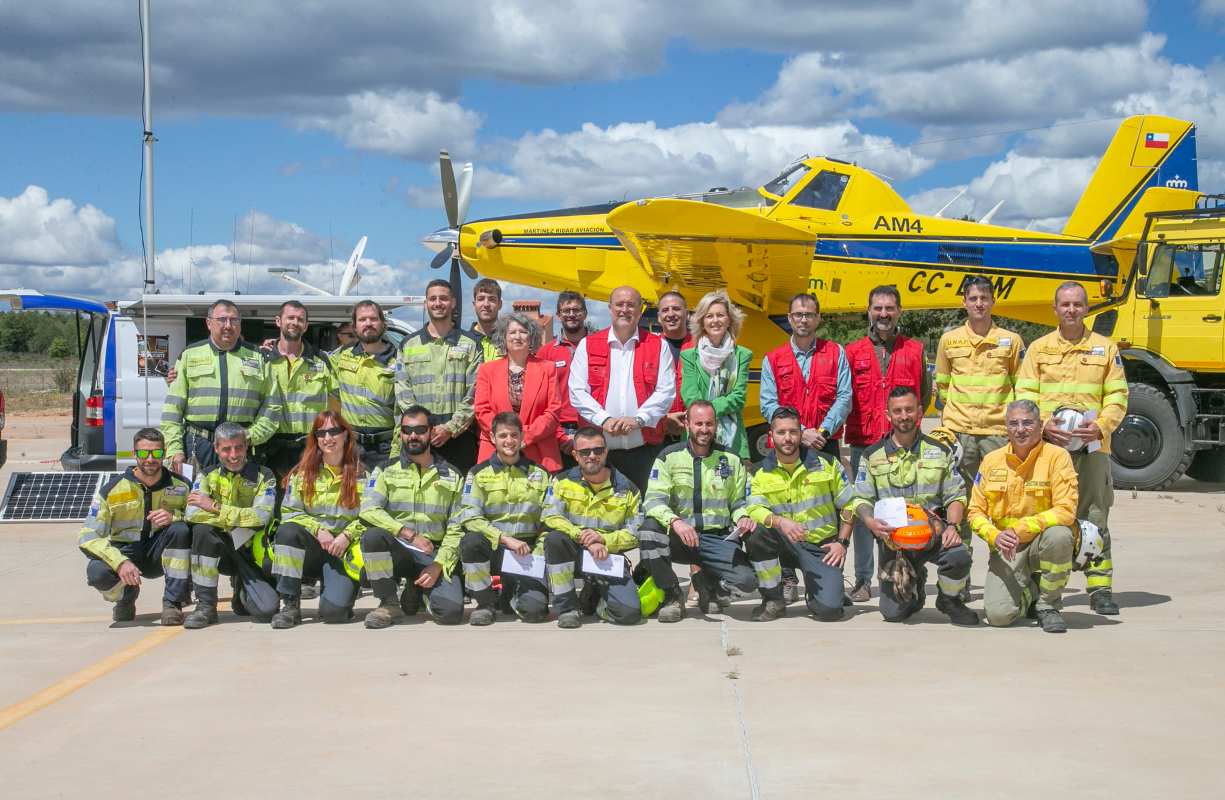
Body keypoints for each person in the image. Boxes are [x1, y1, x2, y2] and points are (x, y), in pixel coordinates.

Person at [1016, 280, 1128, 616]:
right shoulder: (1038, 349)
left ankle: (1100, 588)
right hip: (1050, 450)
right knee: (1045, 519)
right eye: (1064, 304)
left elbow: (1119, 395)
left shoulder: (1105, 349)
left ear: (1086, 307)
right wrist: (1044, 422)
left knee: (1095, 517)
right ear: (1055, 309)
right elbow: (1024, 394)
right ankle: (1044, 592)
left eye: (1077, 304)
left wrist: (1101, 425)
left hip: (1093, 451)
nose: (1071, 310)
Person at [849, 387, 978, 625]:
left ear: (919, 412)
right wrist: (869, 521)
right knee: (893, 614)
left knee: (959, 557)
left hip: (933, 535)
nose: (904, 415)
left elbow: (956, 495)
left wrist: (952, 526)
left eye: (909, 409)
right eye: (897, 411)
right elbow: (861, 499)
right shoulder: (872, 455)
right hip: (895, 541)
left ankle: (949, 599)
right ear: (888, 415)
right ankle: (915, 585)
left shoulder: (939, 451)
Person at [934, 275, 1022, 594]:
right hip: (960, 434)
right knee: (961, 505)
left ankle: (1001, 572)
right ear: (964, 302)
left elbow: (1019, 386)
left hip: (998, 435)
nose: (979, 304)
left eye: (985, 297)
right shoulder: (950, 341)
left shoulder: (1011, 341)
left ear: (993, 301)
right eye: (973, 298)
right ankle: (963, 573)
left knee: (999, 505)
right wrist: (951, 425)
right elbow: (942, 387)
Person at [842, 285, 930, 603]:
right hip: (865, 443)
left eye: (890, 308)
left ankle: (909, 572)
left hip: (903, 443)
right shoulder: (851, 353)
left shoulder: (915, 350)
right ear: (868, 310)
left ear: (899, 312)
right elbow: (845, 396)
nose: (883, 314)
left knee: (907, 510)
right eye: (877, 308)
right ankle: (864, 579)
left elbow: (924, 395)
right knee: (865, 512)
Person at [639, 400, 757, 622]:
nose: (704, 429)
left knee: (747, 581)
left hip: (717, 539)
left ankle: (707, 584)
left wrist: (743, 517)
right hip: (680, 538)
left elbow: (740, 501)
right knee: (648, 530)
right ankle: (672, 596)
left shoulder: (731, 459)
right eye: (699, 423)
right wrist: (675, 521)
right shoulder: (668, 457)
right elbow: (653, 501)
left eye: (709, 424)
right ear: (687, 424)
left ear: (716, 425)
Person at [969, 399, 1078, 633]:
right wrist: (994, 536)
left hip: (1041, 542)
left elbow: (1066, 509)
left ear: (1040, 425)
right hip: (1007, 548)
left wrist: (1021, 529)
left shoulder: (1057, 457)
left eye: (1027, 423)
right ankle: (1031, 593)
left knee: (1060, 536)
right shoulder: (991, 461)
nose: (1020, 429)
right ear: (1006, 428)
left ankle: (1049, 606)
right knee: (999, 616)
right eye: (1014, 423)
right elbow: (975, 512)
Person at [358, 406, 466, 628]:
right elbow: (368, 510)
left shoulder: (453, 475)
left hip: (433, 553)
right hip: (399, 549)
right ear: (400, 434)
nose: (413, 435)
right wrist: (406, 533)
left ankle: (417, 588)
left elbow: (457, 527)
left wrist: (438, 565)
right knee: (373, 536)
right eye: (407, 430)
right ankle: (388, 603)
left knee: (450, 613)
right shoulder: (385, 470)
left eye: (420, 430)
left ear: (431, 431)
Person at [744, 407, 854, 622]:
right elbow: (753, 508)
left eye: (793, 432)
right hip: (783, 544)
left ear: (801, 434)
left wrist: (842, 542)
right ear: (771, 436)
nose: (787, 438)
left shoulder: (827, 464)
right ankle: (773, 598)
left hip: (820, 546)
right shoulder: (758, 472)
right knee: (755, 532)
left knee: (829, 610)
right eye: (781, 432)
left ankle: (819, 592)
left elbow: (850, 504)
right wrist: (779, 522)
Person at [568, 285, 677, 492]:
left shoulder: (658, 345)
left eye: (631, 305)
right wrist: (604, 420)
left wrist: (639, 419)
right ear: (610, 308)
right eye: (619, 304)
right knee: (601, 513)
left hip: (645, 451)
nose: (624, 310)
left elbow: (666, 391)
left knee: (646, 509)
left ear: (640, 310)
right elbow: (577, 391)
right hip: (599, 454)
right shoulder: (588, 345)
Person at [78, 428, 192, 625]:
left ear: (164, 453)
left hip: (160, 553)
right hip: (126, 553)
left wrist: (175, 516)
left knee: (181, 530)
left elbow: (200, 518)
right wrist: (119, 562)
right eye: (143, 453)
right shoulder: (111, 490)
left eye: (156, 453)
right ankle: (126, 597)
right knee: (97, 572)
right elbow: (88, 536)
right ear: (134, 453)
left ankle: (173, 602)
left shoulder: (182, 485)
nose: (150, 459)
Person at [269, 411, 368, 628]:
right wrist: (317, 530)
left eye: (334, 431)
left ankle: (335, 591)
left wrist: (347, 535)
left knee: (335, 614)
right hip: (311, 549)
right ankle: (290, 605)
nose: (328, 438)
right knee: (287, 532)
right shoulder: (303, 474)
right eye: (321, 433)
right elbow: (289, 512)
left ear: (345, 435)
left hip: (342, 550)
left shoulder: (364, 473)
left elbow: (371, 516)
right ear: (315, 438)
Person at [538, 426, 643, 628]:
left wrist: (604, 540)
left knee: (629, 614)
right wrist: (583, 537)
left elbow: (635, 532)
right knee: (554, 539)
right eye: (585, 452)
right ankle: (567, 608)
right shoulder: (561, 481)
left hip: (607, 556)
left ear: (606, 451)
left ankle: (596, 603)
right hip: (574, 554)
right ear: (575, 455)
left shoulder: (627, 488)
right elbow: (550, 515)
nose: (592, 456)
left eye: (598, 450)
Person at [162, 299, 282, 473]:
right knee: (196, 498)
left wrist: (250, 436)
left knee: (240, 499)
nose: (228, 325)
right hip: (198, 448)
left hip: (241, 448)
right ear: (209, 323)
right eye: (222, 320)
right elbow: (172, 408)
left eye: (234, 320)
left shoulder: (259, 358)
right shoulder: (189, 355)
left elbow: (272, 406)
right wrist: (174, 449)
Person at [456, 412, 552, 625]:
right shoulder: (478, 473)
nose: (509, 441)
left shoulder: (541, 474)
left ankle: (511, 593)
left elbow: (550, 519)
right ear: (492, 437)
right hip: (495, 547)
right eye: (503, 436)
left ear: (522, 437)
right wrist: (504, 539)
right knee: (471, 541)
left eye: (514, 435)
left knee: (535, 612)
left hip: (527, 551)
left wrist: (536, 554)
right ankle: (485, 602)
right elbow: (470, 517)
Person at [181, 422, 280, 628]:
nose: (233, 455)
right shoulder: (206, 475)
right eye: (226, 449)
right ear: (216, 448)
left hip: (251, 552)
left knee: (267, 610)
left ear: (247, 447)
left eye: (239, 447)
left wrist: (215, 507)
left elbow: (261, 517)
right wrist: (236, 521)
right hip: (221, 547)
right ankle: (206, 606)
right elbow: (193, 514)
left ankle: (241, 588)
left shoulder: (265, 476)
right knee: (202, 531)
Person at [396, 279, 484, 476]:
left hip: (458, 439)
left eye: (443, 298)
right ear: (426, 303)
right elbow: (403, 390)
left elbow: (475, 392)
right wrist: (421, 429)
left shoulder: (470, 344)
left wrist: (450, 428)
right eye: (432, 298)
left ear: (453, 302)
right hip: (418, 438)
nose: (438, 303)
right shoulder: (408, 344)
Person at [759, 293, 852, 458]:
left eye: (809, 315)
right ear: (789, 318)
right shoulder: (772, 359)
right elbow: (768, 404)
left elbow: (845, 397)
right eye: (798, 314)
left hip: (825, 443)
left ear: (817, 318)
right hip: (787, 444)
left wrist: (822, 432)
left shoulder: (836, 353)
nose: (803, 320)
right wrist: (800, 431)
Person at [474, 311, 563, 471]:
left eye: (523, 332)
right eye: (512, 332)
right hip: (496, 452)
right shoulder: (487, 370)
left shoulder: (548, 368)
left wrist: (525, 436)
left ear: (531, 337)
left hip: (538, 452)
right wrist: (506, 436)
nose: (517, 336)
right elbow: (482, 410)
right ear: (503, 337)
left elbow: (553, 411)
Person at [261, 300, 338, 482]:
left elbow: (345, 395)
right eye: (290, 318)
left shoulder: (322, 361)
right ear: (278, 321)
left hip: (310, 447)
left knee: (310, 501)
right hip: (271, 448)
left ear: (306, 326)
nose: (295, 322)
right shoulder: (261, 359)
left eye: (300, 319)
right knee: (272, 504)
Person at [680, 289, 752, 459]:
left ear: (729, 320)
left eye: (720, 315)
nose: (715, 320)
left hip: (733, 440)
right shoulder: (689, 356)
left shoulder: (743, 355)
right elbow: (690, 396)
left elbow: (739, 397)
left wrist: (705, 410)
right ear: (702, 322)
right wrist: (709, 416)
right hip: (697, 435)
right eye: (709, 316)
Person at [332, 300, 399, 468]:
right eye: (362, 320)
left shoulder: (399, 360)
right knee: (349, 494)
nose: (368, 323)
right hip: (350, 446)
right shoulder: (342, 356)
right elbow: (313, 361)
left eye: (373, 319)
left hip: (385, 449)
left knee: (381, 495)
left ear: (383, 324)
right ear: (354, 327)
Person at [537, 290, 588, 464]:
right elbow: (540, 399)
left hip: (592, 429)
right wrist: (558, 435)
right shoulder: (546, 352)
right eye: (566, 311)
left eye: (576, 310)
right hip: (557, 432)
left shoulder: (599, 347)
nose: (572, 315)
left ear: (585, 314)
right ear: (559, 315)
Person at [656, 291, 692, 441]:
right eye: (665, 310)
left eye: (676, 309)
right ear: (659, 317)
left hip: (693, 431)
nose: (671, 314)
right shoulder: (649, 348)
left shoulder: (703, 346)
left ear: (687, 314)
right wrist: (665, 418)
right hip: (658, 432)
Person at [471, 277, 503, 361]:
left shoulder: (509, 340)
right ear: (474, 304)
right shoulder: (463, 341)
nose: (486, 304)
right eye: (481, 299)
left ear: (500, 304)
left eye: (492, 299)